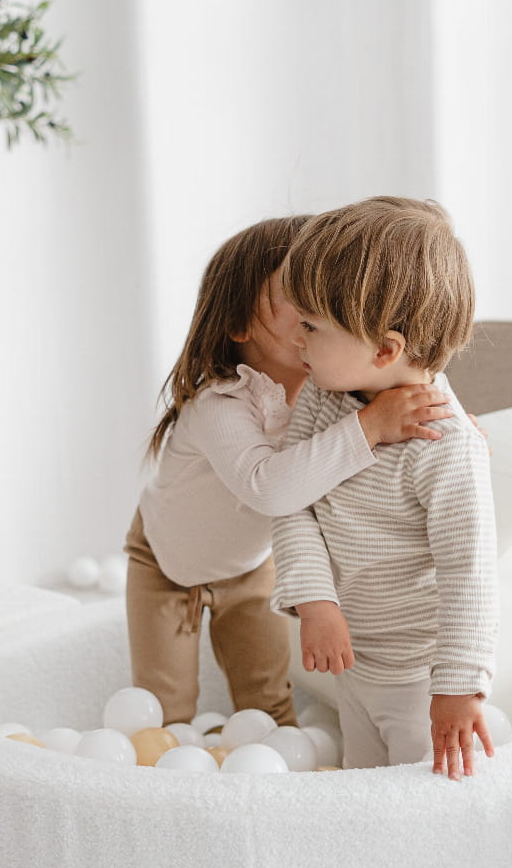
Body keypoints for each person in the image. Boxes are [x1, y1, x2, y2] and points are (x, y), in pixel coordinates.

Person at [125, 214, 458, 729]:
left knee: (266, 698)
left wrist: (442, 420)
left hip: (251, 566)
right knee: (165, 708)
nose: (315, 304)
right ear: (240, 325)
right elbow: (269, 488)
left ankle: (274, 768)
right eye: (295, 291)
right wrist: (371, 426)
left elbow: (404, 388)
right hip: (167, 565)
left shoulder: (331, 392)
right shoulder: (221, 404)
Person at [271, 196, 498, 781]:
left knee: (422, 800)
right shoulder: (323, 400)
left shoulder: (446, 446)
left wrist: (457, 688)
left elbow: (470, 573)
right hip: (357, 660)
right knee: (361, 782)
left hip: (421, 677)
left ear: (385, 350)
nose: (295, 338)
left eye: (311, 326)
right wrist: (316, 602)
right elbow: (295, 502)